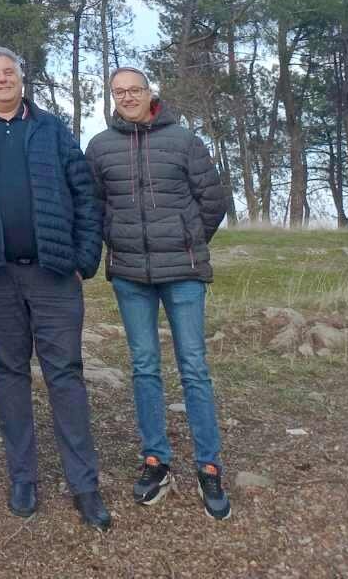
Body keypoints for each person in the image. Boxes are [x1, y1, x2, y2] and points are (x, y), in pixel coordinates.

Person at [0, 46, 110, 531]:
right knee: (9, 373)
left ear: (22, 78)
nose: (2, 80)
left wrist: (83, 260)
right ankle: (23, 478)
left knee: (66, 374)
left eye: (9, 72)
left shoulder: (53, 130)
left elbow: (86, 196)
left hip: (54, 274)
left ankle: (84, 484)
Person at [85, 67, 232, 520]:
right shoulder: (100, 147)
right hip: (130, 275)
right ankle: (156, 460)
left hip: (183, 273)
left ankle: (208, 466)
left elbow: (213, 199)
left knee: (194, 367)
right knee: (145, 367)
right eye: (119, 92)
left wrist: (189, 240)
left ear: (151, 93)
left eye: (135, 89)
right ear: (112, 98)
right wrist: (113, 241)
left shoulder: (184, 140)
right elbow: (93, 206)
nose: (128, 97)